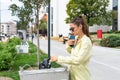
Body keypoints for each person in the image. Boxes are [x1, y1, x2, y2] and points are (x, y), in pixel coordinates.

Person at [50, 15, 93, 80]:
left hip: (81, 77)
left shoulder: (86, 42)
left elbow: (77, 60)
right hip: (72, 75)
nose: (71, 31)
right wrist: (68, 44)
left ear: (80, 26)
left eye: (73, 29)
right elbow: (73, 53)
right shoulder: (76, 38)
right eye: (70, 29)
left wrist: (58, 58)